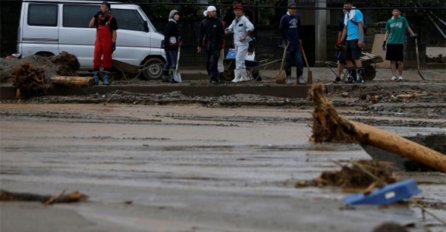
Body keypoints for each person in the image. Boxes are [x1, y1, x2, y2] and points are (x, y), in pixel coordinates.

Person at [383, 8, 416, 81]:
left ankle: (400, 75)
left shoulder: (403, 19)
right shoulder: (389, 21)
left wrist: (413, 34)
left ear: (399, 12)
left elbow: (407, 27)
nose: (396, 12)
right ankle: (394, 75)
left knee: (399, 61)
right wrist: (384, 41)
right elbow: (387, 32)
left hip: (399, 43)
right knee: (392, 60)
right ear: (392, 12)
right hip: (391, 42)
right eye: (394, 11)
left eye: (397, 11)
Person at [88, 1, 117, 86]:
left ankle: (106, 78)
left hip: (108, 42)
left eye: (102, 7)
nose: (101, 8)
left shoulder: (112, 19)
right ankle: (96, 77)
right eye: (100, 7)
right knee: (96, 58)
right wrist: (94, 16)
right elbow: (90, 25)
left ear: (107, 8)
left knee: (107, 59)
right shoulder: (98, 18)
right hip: (99, 41)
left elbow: (114, 32)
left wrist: (114, 42)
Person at [225, 3, 254, 83]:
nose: (237, 12)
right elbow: (230, 29)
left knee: (238, 59)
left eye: (238, 10)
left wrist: (244, 36)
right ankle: (244, 77)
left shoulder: (244, 19)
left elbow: (251, 27)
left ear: (241, 11)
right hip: (236, 44)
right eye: (235, 10)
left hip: (243, 44)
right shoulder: (235, 21)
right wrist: (226, 31)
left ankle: (237, 77)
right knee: (241, 60)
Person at [197, 6, 225, 84]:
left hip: (216, 47)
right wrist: (199, 45)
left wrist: (219, 45)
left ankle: (214, 78)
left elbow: (221, 35)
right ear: (209, 12)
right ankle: (212, 76)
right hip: (207, 46)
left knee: (213, 62)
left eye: (215, 11)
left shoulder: (218, 22)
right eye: (213, 11)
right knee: (207, 63)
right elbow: (201, 34)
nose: (215, 13)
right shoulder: (204, 22)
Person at [339, 1, 365, 84]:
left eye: (347, 4)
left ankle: (361, 78)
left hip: (356, 38)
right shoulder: (346, 14)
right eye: (345, 4)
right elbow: (345, 28)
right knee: (347, 58)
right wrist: (341, 41)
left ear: (351, 4)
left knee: (356, 58)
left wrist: (360, 39)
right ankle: (352, 77)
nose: (346, 5)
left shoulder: (357, 12)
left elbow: (361, 26)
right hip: (348, 39)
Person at [279, 2, 304, 85]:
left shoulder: (297, 17)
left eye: (294, 9)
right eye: (292, 9)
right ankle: (288, 77)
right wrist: (285, 40)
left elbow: (299, 28)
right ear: (288, 9)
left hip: (296, 42)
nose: (293, 10)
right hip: (288, 43)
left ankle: (299, 76)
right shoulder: (284, 18)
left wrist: (300, 38)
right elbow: (281, 29)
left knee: (299, 61)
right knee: (288, 61)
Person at [163, 9, 182, 83]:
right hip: (172, 46)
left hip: (167, 46)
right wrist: (179, 35)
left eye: (178, 14)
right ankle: (174, 78)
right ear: (172, 16)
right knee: (174, 62)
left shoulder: (170, 23)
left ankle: (165, 76)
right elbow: (172, 33)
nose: (178, 16)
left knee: (169, 62)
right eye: (176, 15)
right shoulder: (172, 24)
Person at [334, 9, 348, 83]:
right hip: (343, 42)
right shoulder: (342, 20)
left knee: (349, 60)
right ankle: (338, 76)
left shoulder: (353, 18)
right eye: (344, 8)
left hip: (351, 41)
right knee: (341, 60)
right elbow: (340, 32)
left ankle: (350, 76)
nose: (345, 10)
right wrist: (339, 41)